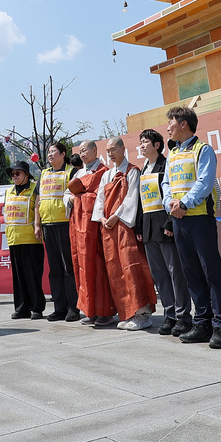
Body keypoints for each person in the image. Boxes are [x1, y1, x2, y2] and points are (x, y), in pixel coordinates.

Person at [162, 106, 221, 349]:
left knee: (211, 273)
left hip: (200, 219)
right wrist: (170, 204)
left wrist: (184, 203)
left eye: (171, 122)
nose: (168, 127)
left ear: (184, 124)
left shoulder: (203, 150)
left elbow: (204, 182)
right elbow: (166, 183)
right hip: (179, 220)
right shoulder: (172, 153)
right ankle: (202, 323)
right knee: (191, 274)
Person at [92, 138, 156, 331]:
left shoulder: (132, 171)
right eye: (108, 151)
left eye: (114, 149)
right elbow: (100, 199)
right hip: (109, 229)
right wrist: (102, 218)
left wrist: (116, 216)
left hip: (125, 227)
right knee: (116, 271)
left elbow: (132, 198)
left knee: (132, 268)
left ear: (123, 148)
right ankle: (127, 313)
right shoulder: (107, 175)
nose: (111, 154)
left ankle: (142, 314)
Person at [136, 129, 192, 337]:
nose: (141, 145)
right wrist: (139, 227)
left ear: (157, 145)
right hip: (148, 229)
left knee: (175, 273)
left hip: (164, 227)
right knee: (159, 275)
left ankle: (183, 315)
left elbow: (171, 194)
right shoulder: (144, 168)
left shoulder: (165, 165)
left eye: (145, 142)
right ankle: (169, 314)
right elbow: (142, 201)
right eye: (140, 142)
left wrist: (169, 222)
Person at [67, 139, 115, 326]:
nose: (82, 154)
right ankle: (90, 310)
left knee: (99, 267)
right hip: (79, 226)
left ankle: (105, 311)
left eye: (85, 150)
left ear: (95, 150)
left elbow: (103, 197)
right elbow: (67, 195)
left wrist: (80, 197)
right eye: (80, 151)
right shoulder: (79, 172)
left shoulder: (104, 172)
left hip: (95, 226)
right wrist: (73, 199)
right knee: (82, 266)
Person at [36, 140, 80, 321]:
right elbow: (38, 199)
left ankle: (73, 308)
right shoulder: (44, 173)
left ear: (63, 154)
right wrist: (37, 224)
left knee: (68, 267)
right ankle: (59, 308)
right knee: (54, 269)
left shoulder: (71, 172)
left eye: (54, 151)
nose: (50, 154)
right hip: (48, 225)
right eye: (49, 151)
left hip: (65, 224)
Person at [6, 160, 46, 319]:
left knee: (32, 276)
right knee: (18, 277)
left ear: (26, 174)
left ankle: (37, 308)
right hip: (14, 238)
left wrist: (37, 227)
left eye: (18, 173)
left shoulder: (34, 189)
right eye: (12, 174)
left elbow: (38, 209)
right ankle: (21, 308)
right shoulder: (8, 191)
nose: (14, 176)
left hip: (31, 239)